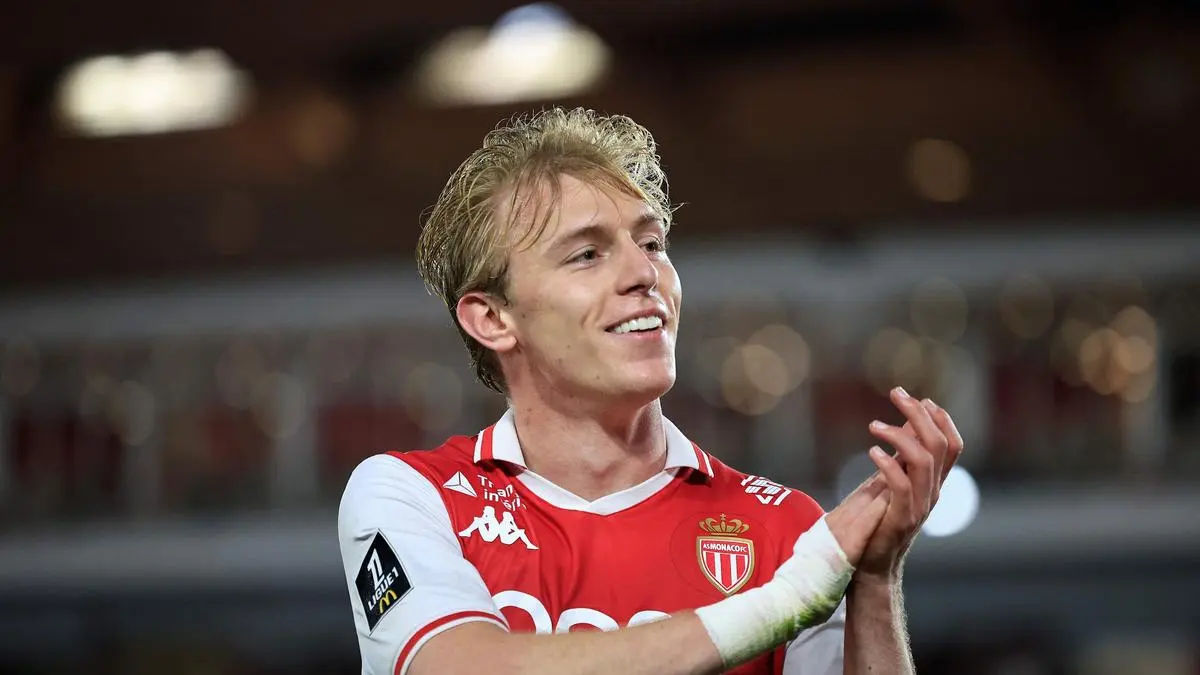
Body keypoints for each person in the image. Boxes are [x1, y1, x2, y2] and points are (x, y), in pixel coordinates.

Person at [337, 107, 963, 675]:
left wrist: (875, 578)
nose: (644, 273)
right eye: (587, 255)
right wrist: (788, 598)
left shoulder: (785, 528)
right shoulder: (411, 496)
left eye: (652, 243)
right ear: (494, 319)